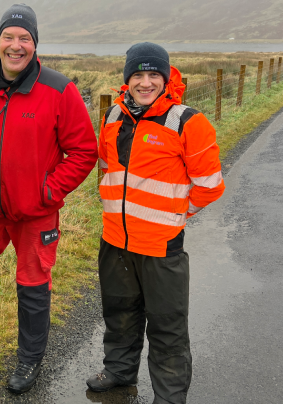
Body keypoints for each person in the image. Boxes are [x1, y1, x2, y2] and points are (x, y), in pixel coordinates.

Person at [0, 3, 98, 395]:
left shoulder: (59, 90)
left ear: (34, 44)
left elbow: (83, 152)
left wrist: (48, 191)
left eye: (24, 38)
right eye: (8, 37)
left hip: (35, 213)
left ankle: (30, 360)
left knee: (32, 287)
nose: (16, 45)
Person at [88, 42, 225, 403]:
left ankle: (169, 396)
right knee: (119, 313)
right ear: (126, 79)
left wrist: (177, 214)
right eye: (137, 75)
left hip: (161, 247)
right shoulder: (113, 117)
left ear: (165, 79)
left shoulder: (187, 121)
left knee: (167, 326)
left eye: (153, 75)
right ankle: (119, 370)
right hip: (115, 241)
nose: (145, 83)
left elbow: (210, 186)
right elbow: (106, 168)